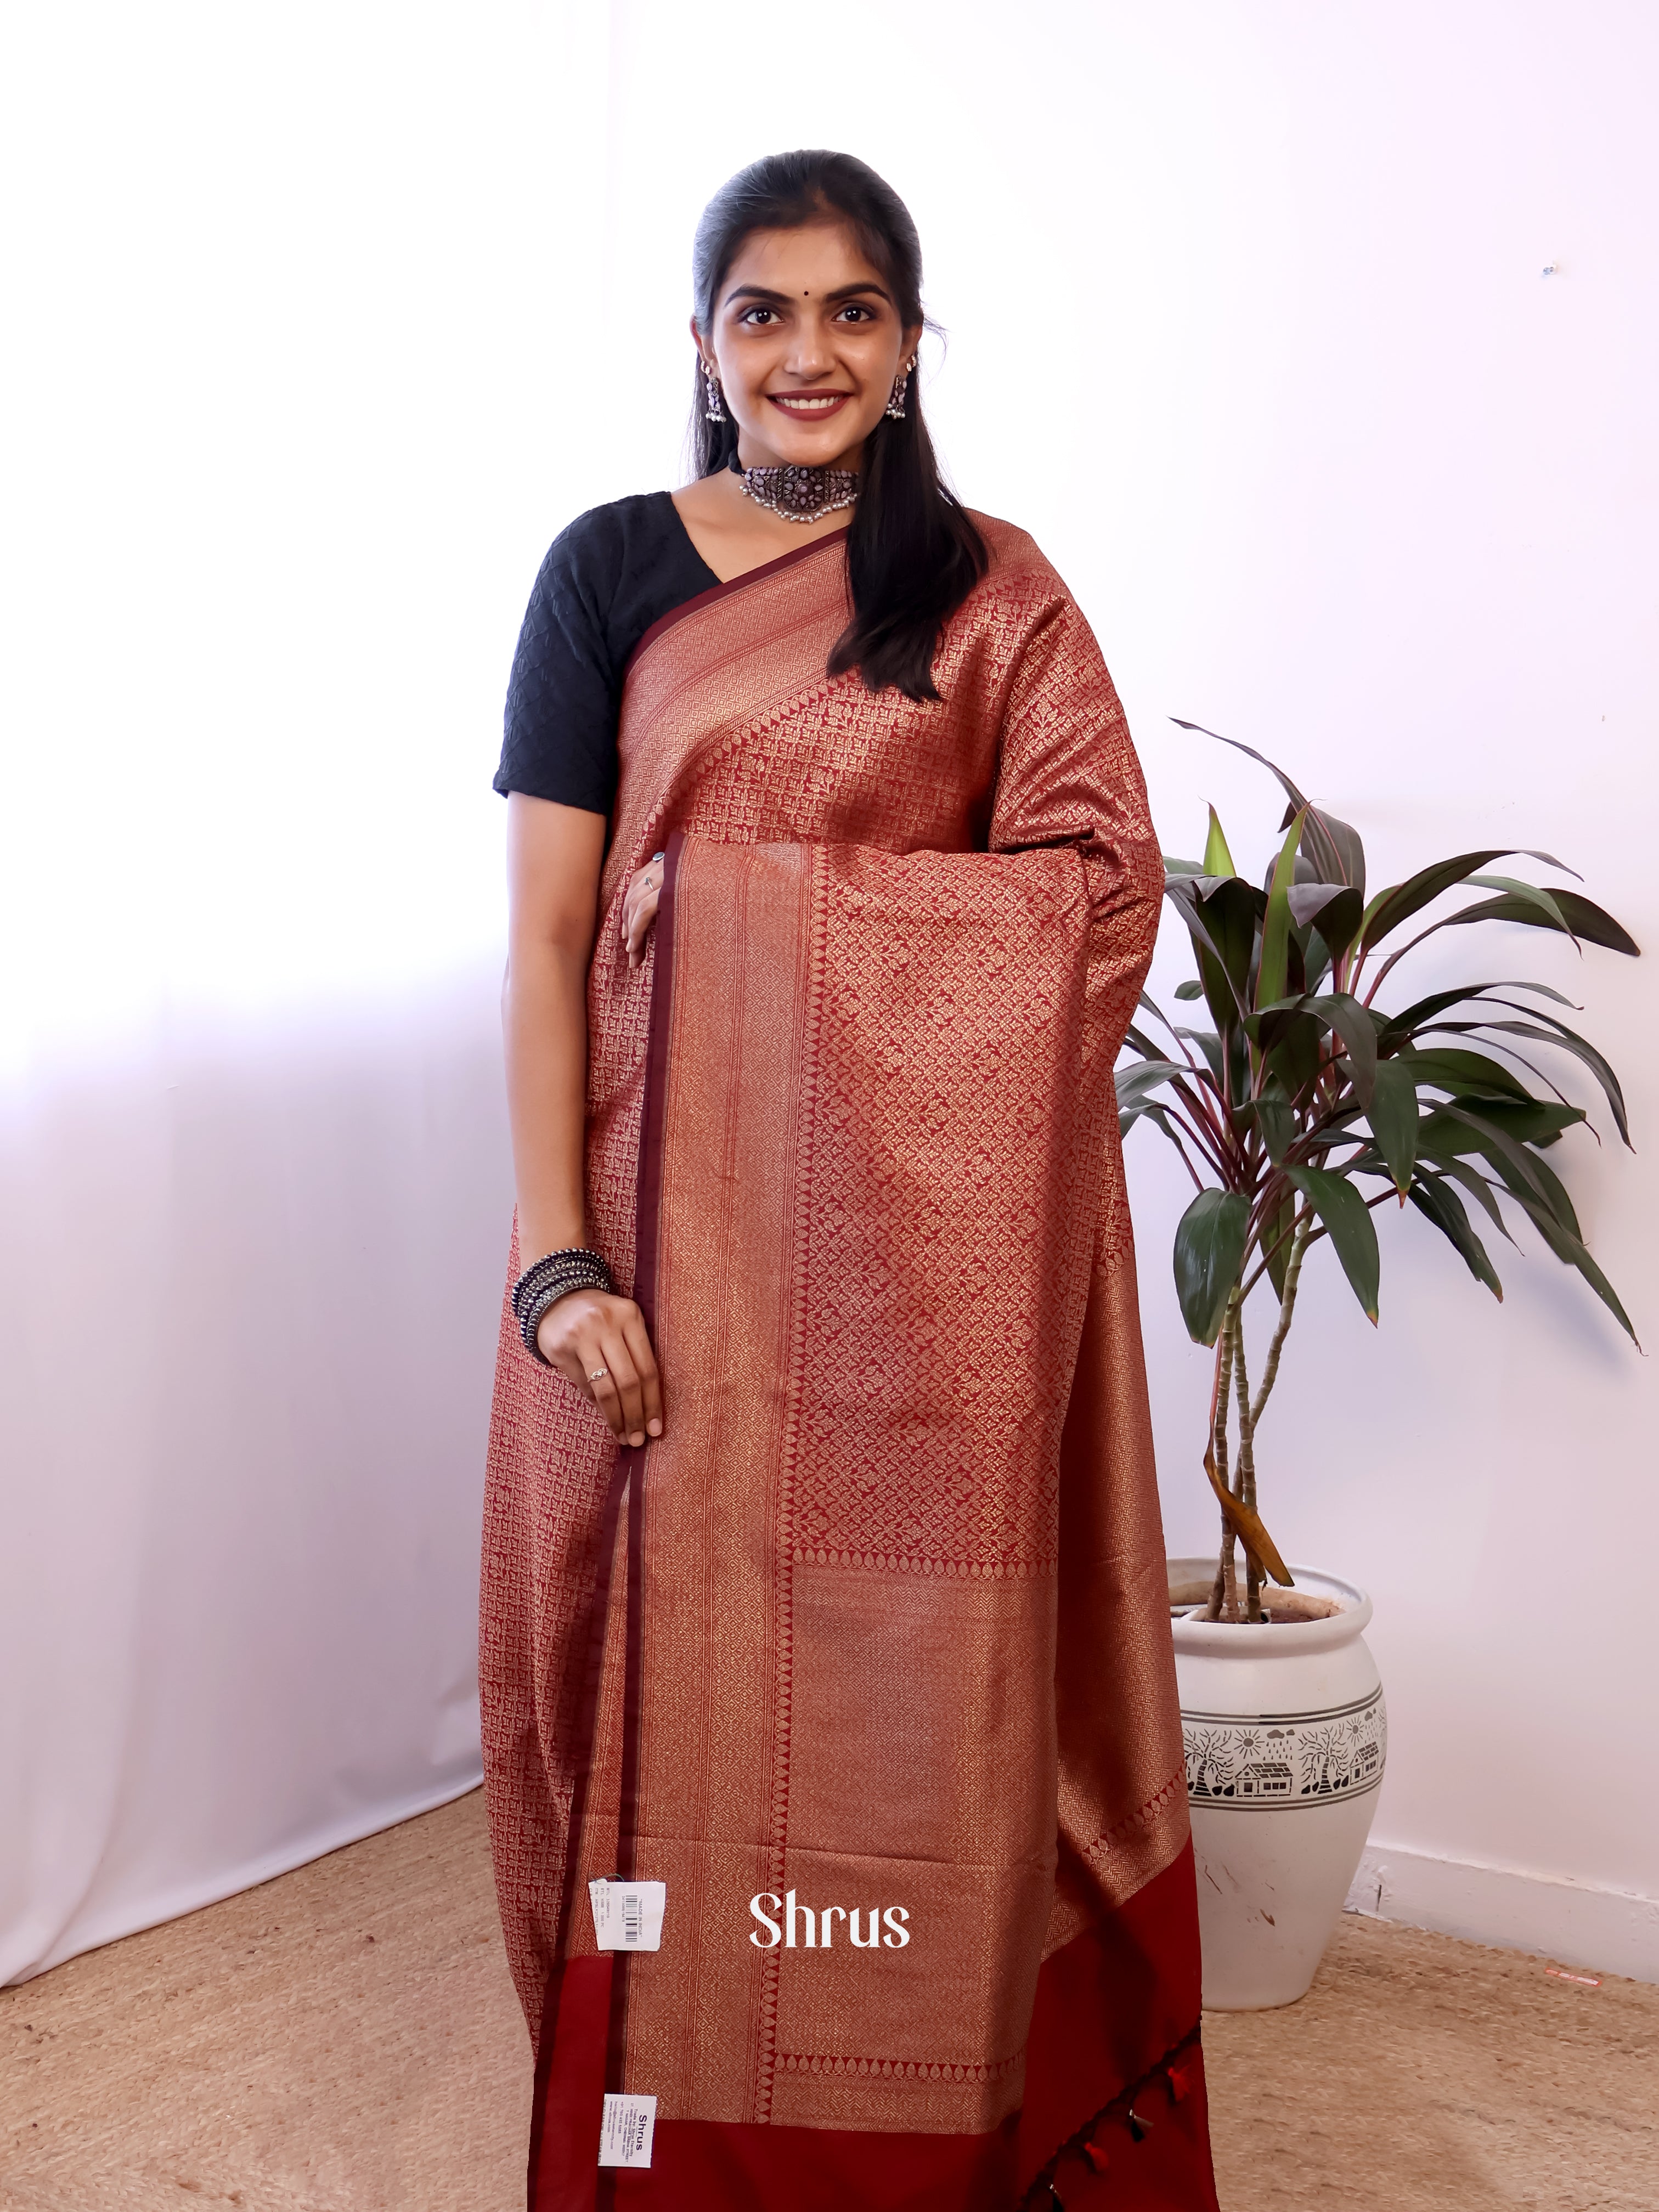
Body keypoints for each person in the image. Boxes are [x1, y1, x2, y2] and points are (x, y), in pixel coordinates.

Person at [483, 148, 1218, 2212]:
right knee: (613, 1686)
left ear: (908, 347)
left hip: (921, 1290)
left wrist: (756, 919)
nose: (807, 353)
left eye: (852, 312)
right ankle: (658, 2136)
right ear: (705, 348)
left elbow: (1095, 892)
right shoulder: (611, 567)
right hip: (651, 1236)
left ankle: (902, 2136)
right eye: (762, 312)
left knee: (911, 1710)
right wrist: (556, 1263)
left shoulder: (992, 587)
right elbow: (550, 940)